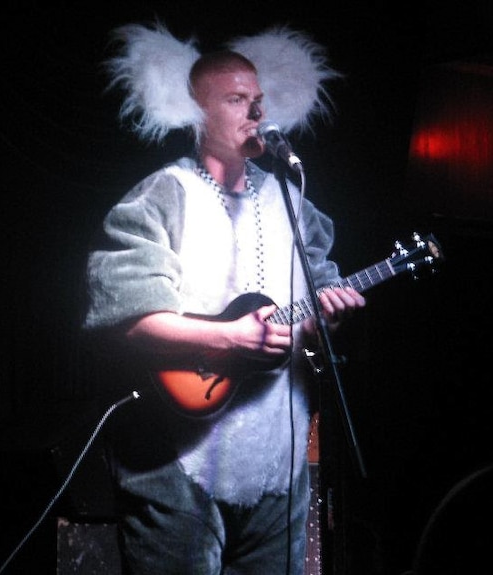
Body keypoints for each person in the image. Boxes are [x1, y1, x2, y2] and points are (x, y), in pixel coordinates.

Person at [81, 22, 365, 575]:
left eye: (258, 100)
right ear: (196, 112)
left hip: (277, 463)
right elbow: (127, 321)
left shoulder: (292, 201)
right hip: (176, 461)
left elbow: (313, 314)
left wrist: (324, 320)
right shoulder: (161, 196)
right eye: (236, 100)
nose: (255, 113)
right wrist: (230, 337)